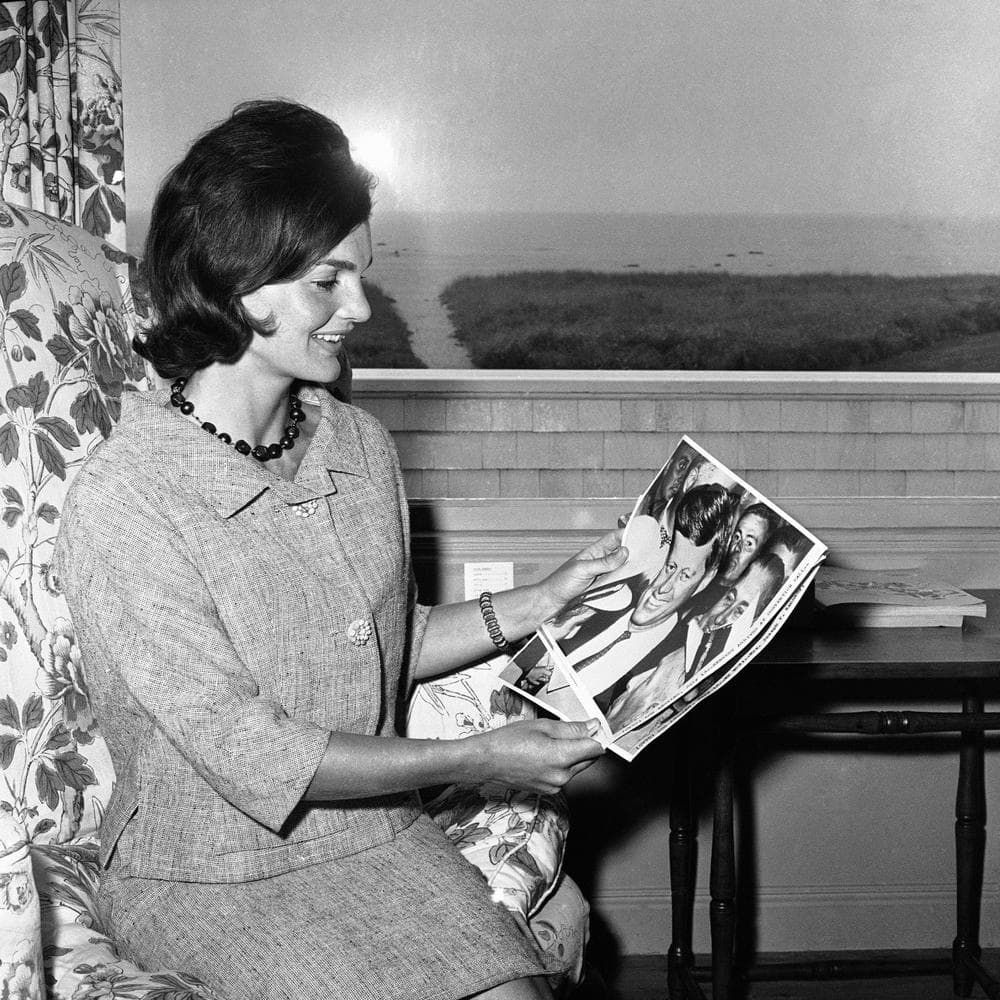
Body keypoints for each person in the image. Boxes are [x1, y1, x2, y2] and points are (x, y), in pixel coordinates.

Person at [52, 100, 629, 1000]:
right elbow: (251, 750)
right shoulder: (127, 500)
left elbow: (379, 642)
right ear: (242, 285)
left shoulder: (359, 449)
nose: (360, 307)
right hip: (209, 876)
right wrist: (481, 757)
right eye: (329, 281)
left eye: (361, 274)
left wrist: (539, 601)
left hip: (375, 836)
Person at [556, 484, 737, 712]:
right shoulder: (606, 599)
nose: (663, 587)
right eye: (670, 566)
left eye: (685, 575)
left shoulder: (675, 664)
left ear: (703, 582)